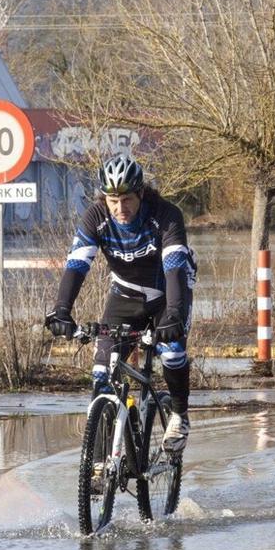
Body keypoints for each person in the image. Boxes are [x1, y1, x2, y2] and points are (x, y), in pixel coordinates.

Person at [44, 154, 196, 452]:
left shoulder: (165, 216)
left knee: (172, 353)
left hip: (168, 293)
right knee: (102, 370)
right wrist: (62, 310)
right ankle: (98, 463)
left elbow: (175, 267)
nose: (120, 208)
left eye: (126, 199)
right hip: (125, 294)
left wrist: (174, 316)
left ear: (140, 193)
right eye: (113, 200)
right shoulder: (96, 217)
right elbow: (76, 265)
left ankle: (179, 414)